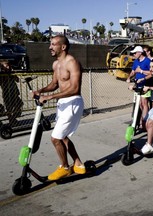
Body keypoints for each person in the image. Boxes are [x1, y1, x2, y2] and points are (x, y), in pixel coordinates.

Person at [32, 35, 86, 180]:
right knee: (63, 138)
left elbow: (75, 88)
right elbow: (54, 84)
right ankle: (78, 164)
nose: (50, 47)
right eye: (50, 44)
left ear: (63, 47)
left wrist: (50, 97)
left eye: (53, 44)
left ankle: (64, 167)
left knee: (56, 138)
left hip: (73, 102)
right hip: (62, 103)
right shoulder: (56, 64)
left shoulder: (72, 63)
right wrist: (41, 91)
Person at [126, 46, 152, 129]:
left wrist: (141, 71)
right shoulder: (136, 61)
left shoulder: (147, 61)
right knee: (140, 103)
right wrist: (129, 77)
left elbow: (151, 73)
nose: (133, 54)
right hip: (138, 85)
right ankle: (142, 120)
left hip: (146, 84)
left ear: (139, 53)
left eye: (135, 53)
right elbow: (133, 71)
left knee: (144, 103)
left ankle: (144, 122)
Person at [0, 60, 23, 125]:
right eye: (6, 66)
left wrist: (13, 74)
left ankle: (15, 115)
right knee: (8, 108)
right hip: (7, 93)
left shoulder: (11, 72)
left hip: (15, 92)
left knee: (20, 103)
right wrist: (5, 76)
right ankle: (12, 120)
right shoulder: (2, 74)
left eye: (8, 65)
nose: (8, 67)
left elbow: (17, 80)